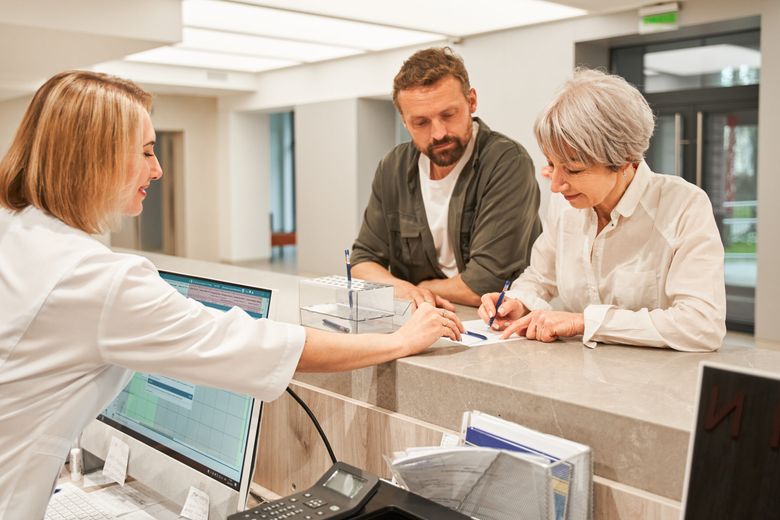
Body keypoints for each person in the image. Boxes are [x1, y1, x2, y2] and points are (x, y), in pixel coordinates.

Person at [0, 71, 463, 518]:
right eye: (144, 152)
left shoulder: (18, 233)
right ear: (95, 159)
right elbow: (251, 344)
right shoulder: (96, 278)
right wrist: (399, 342)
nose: (157, 169)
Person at [478, 68, 726, 352]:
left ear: (624, 161)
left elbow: (702, 325)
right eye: (551, 164)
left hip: (658, 383)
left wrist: (585, 322)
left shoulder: (683, 206)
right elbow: (541, 276)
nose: (556, 185)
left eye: (573, 169)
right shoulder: (566, 203)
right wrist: (518, 301)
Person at [351, 47, 542, 309]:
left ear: (471, 101)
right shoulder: (392, 167)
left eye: (448, 115)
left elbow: (486, 284)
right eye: (421, 122)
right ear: (404, 122)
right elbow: (362, 261)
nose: (438, 133)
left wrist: (420, 289)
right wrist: (402, 289)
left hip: (493, 324)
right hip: (421, 320)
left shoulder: (506, 162)